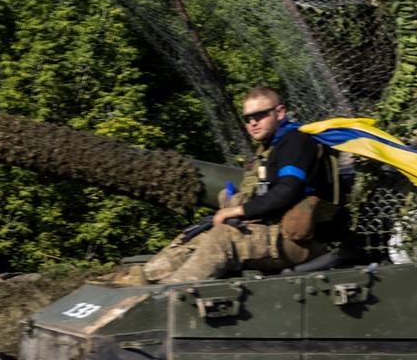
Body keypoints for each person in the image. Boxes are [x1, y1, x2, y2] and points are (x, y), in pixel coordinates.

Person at [143, 86, 342, 283]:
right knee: (186, 243)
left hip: (298, 240)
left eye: (260, 115)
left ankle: (170, 295)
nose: (253, 123)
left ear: (279, 112)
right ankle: (147, 279)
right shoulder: (267, 149)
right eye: (248, 119)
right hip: (267, 231)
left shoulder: (296, 142)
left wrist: (238, 211)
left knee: (224, 239)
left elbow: (287, 190)